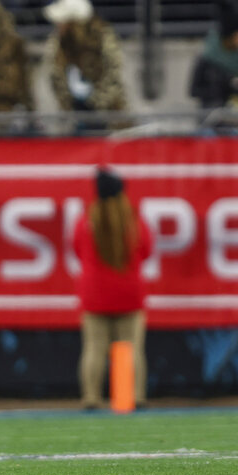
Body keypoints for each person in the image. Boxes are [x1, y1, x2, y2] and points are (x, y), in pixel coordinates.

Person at [73, 168, 153, 410]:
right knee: (132, 349)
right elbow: (147, 251)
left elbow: (77, 249)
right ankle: (132, 398)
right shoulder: (133, 222)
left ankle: (91, 398)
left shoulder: (86, 222)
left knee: (94, 349)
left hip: (95, 295)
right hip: (129, 293)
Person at [43, 0, 128, 124]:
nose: (58, 24)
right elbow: (55, 78)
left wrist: (98, 103)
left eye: (63, 21)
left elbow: (113, 74)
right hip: (74, 116)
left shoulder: (103, 38)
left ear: (74, 22)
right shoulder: (56, 43)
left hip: (107, 115)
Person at [189, 1, 238, 110]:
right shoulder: (207, 58)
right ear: (231, 36)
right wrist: (225, 85)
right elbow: (194, 90)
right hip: (212, 115)